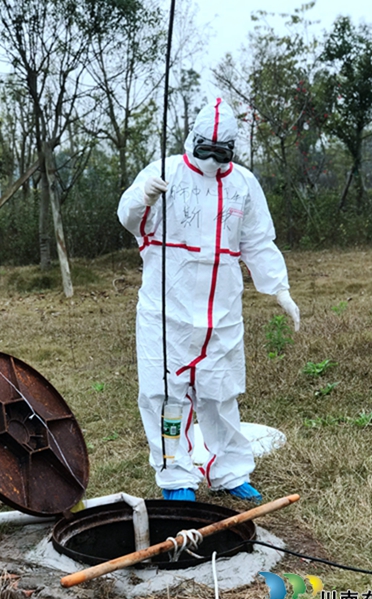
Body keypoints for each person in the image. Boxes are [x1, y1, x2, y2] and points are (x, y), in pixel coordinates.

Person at [117, 98, 299, 502]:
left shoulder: (244, 184)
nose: (213, 159)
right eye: (207, 149)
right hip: (167, 311)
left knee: (221, 393)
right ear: (193, 140)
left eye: (222, 152)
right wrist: (143, 197)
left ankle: (231, 471)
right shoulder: (165, 172)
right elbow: (128, 218)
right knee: (165, 395)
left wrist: (279, 289)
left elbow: (258, 242)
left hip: (223, 312)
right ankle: (176, 477)